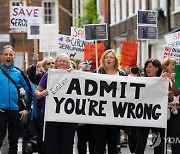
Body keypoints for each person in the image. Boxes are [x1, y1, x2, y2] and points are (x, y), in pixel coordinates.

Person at [34, 53, 77, 154]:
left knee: (66, 146)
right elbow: (37, 91)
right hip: (50, 116)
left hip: (68, 117)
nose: (62, 63)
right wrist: (41, 93)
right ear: (56, 63)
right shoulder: (48, 75)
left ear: (68, 64)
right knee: (51, 146)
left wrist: (74, 74)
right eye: (60, 61)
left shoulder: (73, 75)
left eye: (65, 61)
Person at [0, 45, 33, 153]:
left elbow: (29, 90)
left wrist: (27, 108)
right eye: (6, 54)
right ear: (2, 57)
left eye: (10, 54)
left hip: (15, 112)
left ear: (13, 57)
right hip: (1, 111)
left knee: (14, 142)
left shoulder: (18, 73)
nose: (8, 56)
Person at [93, 49, 126, 154]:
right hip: (100, 113)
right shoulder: (97, 72)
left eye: (111, 57)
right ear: (103, 59)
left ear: (115, 60)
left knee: (113, 144)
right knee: (99, 143)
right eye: (106, 57)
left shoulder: (122, 74)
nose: (109, 59)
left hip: (114, 114)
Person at [135, 59, 165, 154]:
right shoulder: (141, 81)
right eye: (147, 67)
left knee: (158, 143)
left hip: (157, 115)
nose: (147, 69)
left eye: (150, 66)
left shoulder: (163, 81)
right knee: (141, 142)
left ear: (157, 68)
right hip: (144, 115)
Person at [27, 56, 55, 154]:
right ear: (44, 67)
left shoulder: (60, 75)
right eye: (48, 63)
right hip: (42, 111)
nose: (51, 65)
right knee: (43, 136)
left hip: (56, 111)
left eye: (53, 63)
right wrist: (34, 64)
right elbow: (31, 77)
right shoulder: (41, 76)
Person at [161, 57, 180, 154]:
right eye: (172, 65)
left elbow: (176, 93)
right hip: (165, 111)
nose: (175, 67)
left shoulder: (176, 77)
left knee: (176, 136)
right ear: (166, 66)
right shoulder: (163, 78)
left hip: (176, 110)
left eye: (175, 65)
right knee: (163, 137)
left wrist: (176, 80)